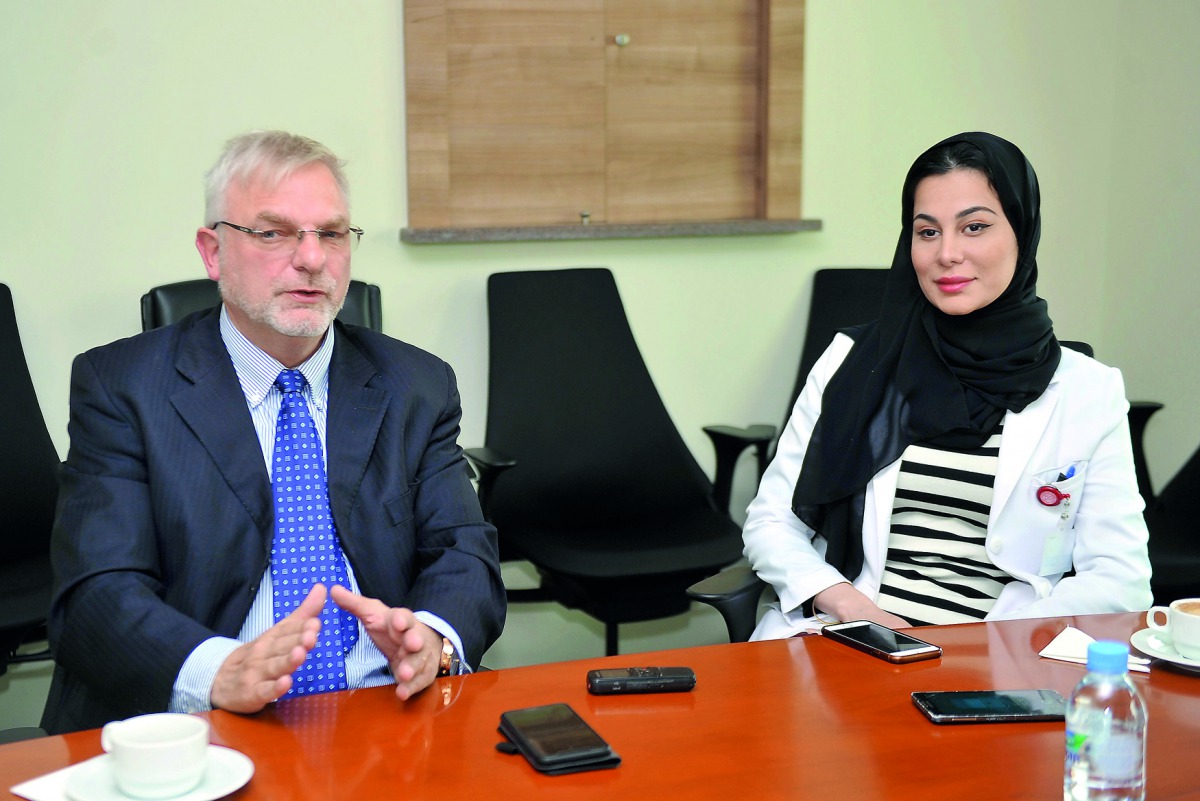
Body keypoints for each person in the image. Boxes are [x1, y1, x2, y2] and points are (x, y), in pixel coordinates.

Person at [42, 131, 506, 733]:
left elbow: (463, 550)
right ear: (212, 253)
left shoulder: (416, 384)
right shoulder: (123, 385)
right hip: (198, 724)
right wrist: (218, 671)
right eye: (273, 232)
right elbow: (96, 593)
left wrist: (433, 639)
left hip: (384, 716)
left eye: (331, 233)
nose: (312, 258)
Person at [742, 131, 1151, 640]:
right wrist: (846, 603)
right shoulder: (854, 361)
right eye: (927, 231)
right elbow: (771, 524)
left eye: (974, 227)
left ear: (1022, 233)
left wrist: (979, 643)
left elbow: (1120, 581)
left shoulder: (1088, 391)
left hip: (998, 661)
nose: (947, 254)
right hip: (853, 643)